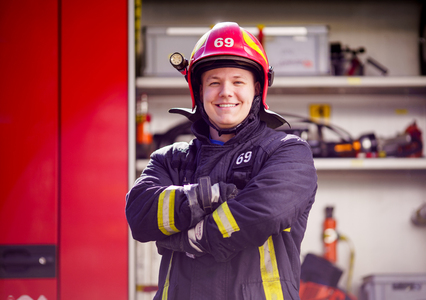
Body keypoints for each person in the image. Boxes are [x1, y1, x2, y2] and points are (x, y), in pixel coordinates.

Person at [126, 21, 317, 300]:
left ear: (256, 90)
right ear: (199, 91)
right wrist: (209, 196)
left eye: (238, 82)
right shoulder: (170, 160)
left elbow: (263, 214)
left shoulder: (288, 153)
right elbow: (139, 214)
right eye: (214, 82)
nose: (226, 92)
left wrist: (188, 237)